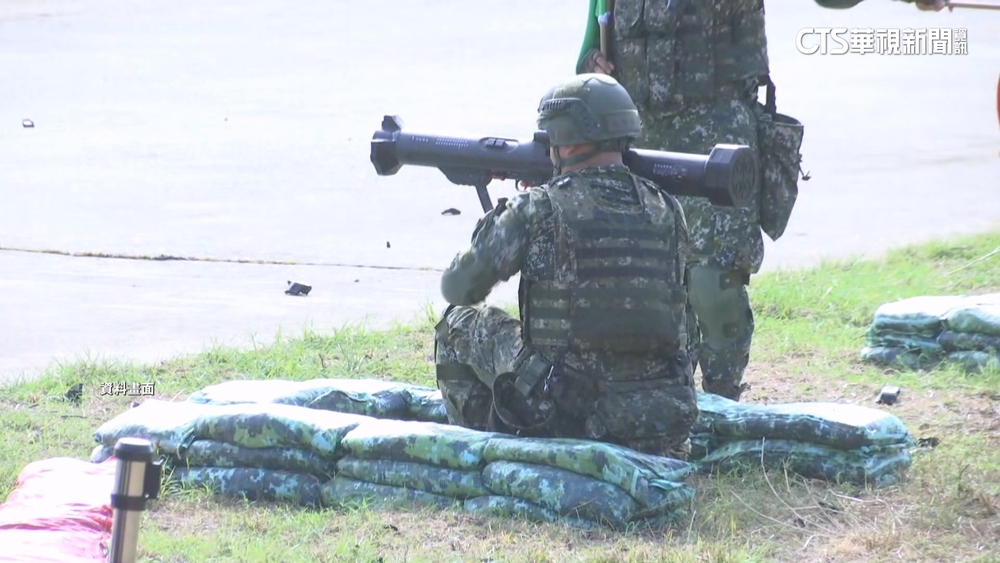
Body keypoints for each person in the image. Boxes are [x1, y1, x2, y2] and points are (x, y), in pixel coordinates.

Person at [576, 0, 943, 402]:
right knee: (654, 279)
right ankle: (667, 401)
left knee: (713, 282)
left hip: (717, 135)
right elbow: (595, 41)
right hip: (639, 136)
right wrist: (594, 63)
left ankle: (722, 401)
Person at [433, 74, 699, 459]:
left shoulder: (538, 207)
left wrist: (498, 221)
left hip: (565, 413)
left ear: (568, 139)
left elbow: (458, 288)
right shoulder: (668, 209)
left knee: (456, 322)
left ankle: (498, 440)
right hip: (658, 419)